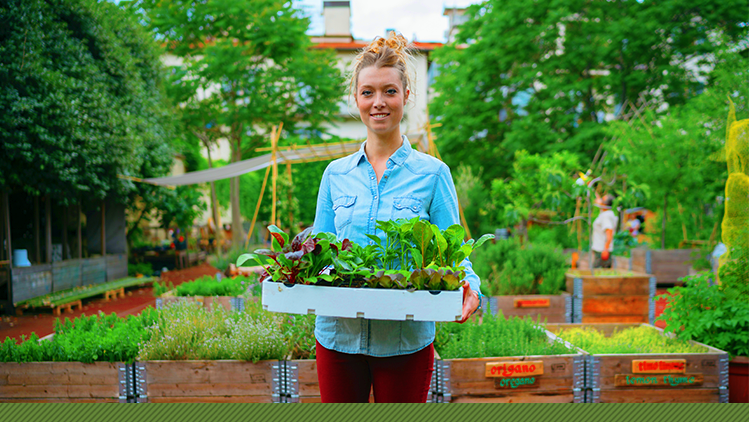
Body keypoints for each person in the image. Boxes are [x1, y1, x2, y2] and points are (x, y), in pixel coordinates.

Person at [311, 33, 482, 403]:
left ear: (406, 96)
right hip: (338, 336)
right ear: (356, 98)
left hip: (405, 339)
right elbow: (319, 252)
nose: (378, 103)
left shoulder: (433, 174)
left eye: (389, 91)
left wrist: (470, 285)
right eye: (368, 92)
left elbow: (454, 251)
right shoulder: (335, 175)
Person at [592, 193, 618, 268]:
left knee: (599, 274)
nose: (600, 200)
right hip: (600, 249)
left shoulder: (606, 216)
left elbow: (609, 233)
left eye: (602, 200)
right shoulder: (605, 213)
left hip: (602, 250)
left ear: (605, 204)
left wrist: (605, 249)